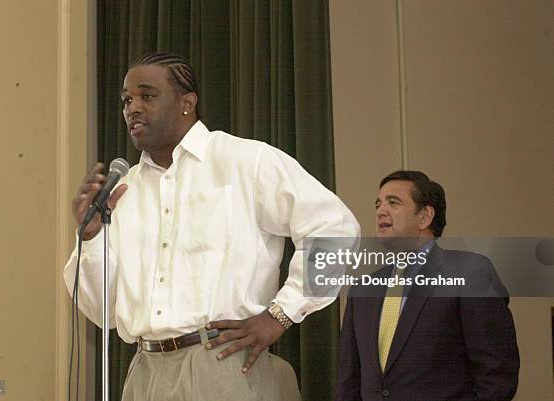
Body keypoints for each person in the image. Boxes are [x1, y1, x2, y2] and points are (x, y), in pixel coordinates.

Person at [64, 52, 360, 401]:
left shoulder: (244, 161)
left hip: (222, 363)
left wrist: (281, 314)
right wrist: (92, 234)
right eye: (127, 100)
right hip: (145, 369)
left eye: (147, 95)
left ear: (187, 102)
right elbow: (102, 312)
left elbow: (337, 229)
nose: (133, 108)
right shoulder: (124, 191)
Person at [335, 170, 520, 401]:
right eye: (378, 204)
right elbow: (349, 383)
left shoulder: (470, 272)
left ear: (425, 217)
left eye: (393, 203)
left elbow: (496, 374)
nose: (381, 211)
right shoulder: (362, 290)